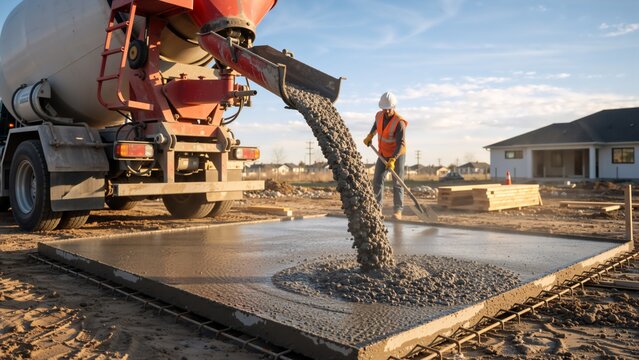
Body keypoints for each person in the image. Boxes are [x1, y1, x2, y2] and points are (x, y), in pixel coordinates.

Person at [363, 91, 407, 220]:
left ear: (394, 107)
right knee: (377, 180)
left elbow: (400, 144)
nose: (386, 112)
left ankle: (398, 211)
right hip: (382, 153)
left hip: (397, 155)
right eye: (384, 109)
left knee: (397, 182)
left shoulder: (399, 122)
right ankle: (377, 209)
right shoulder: (379, 115)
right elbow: (376, 125)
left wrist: (393, 159)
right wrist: (371, 135)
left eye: (389, 109)